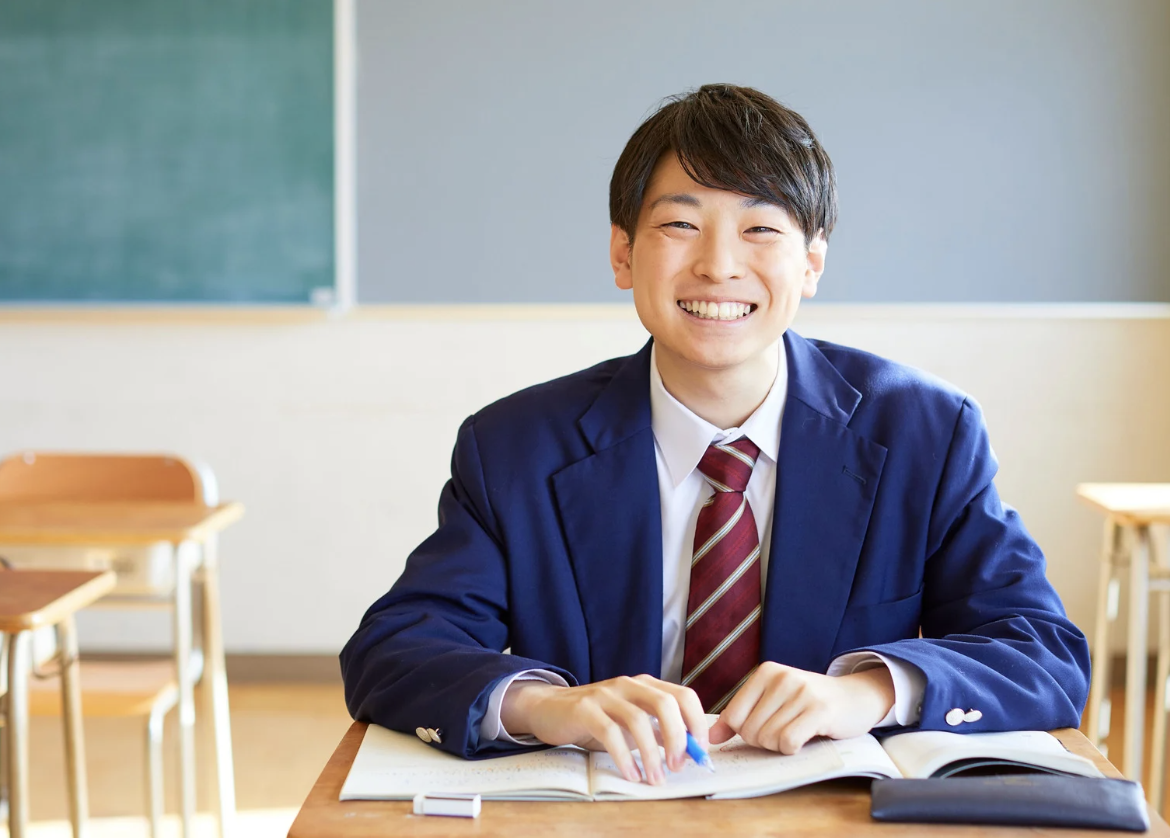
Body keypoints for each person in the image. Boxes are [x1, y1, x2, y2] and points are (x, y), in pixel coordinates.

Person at [340, 83, 1089, 786]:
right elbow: (393, 651)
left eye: (761, 229)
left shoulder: (926, 433)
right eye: (680, 225)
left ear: (812, 262)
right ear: (623, 254)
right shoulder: (516, 447)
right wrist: (545, 705)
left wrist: (867, 692)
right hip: (607, 812)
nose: (718, 265)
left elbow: (1042, 655)